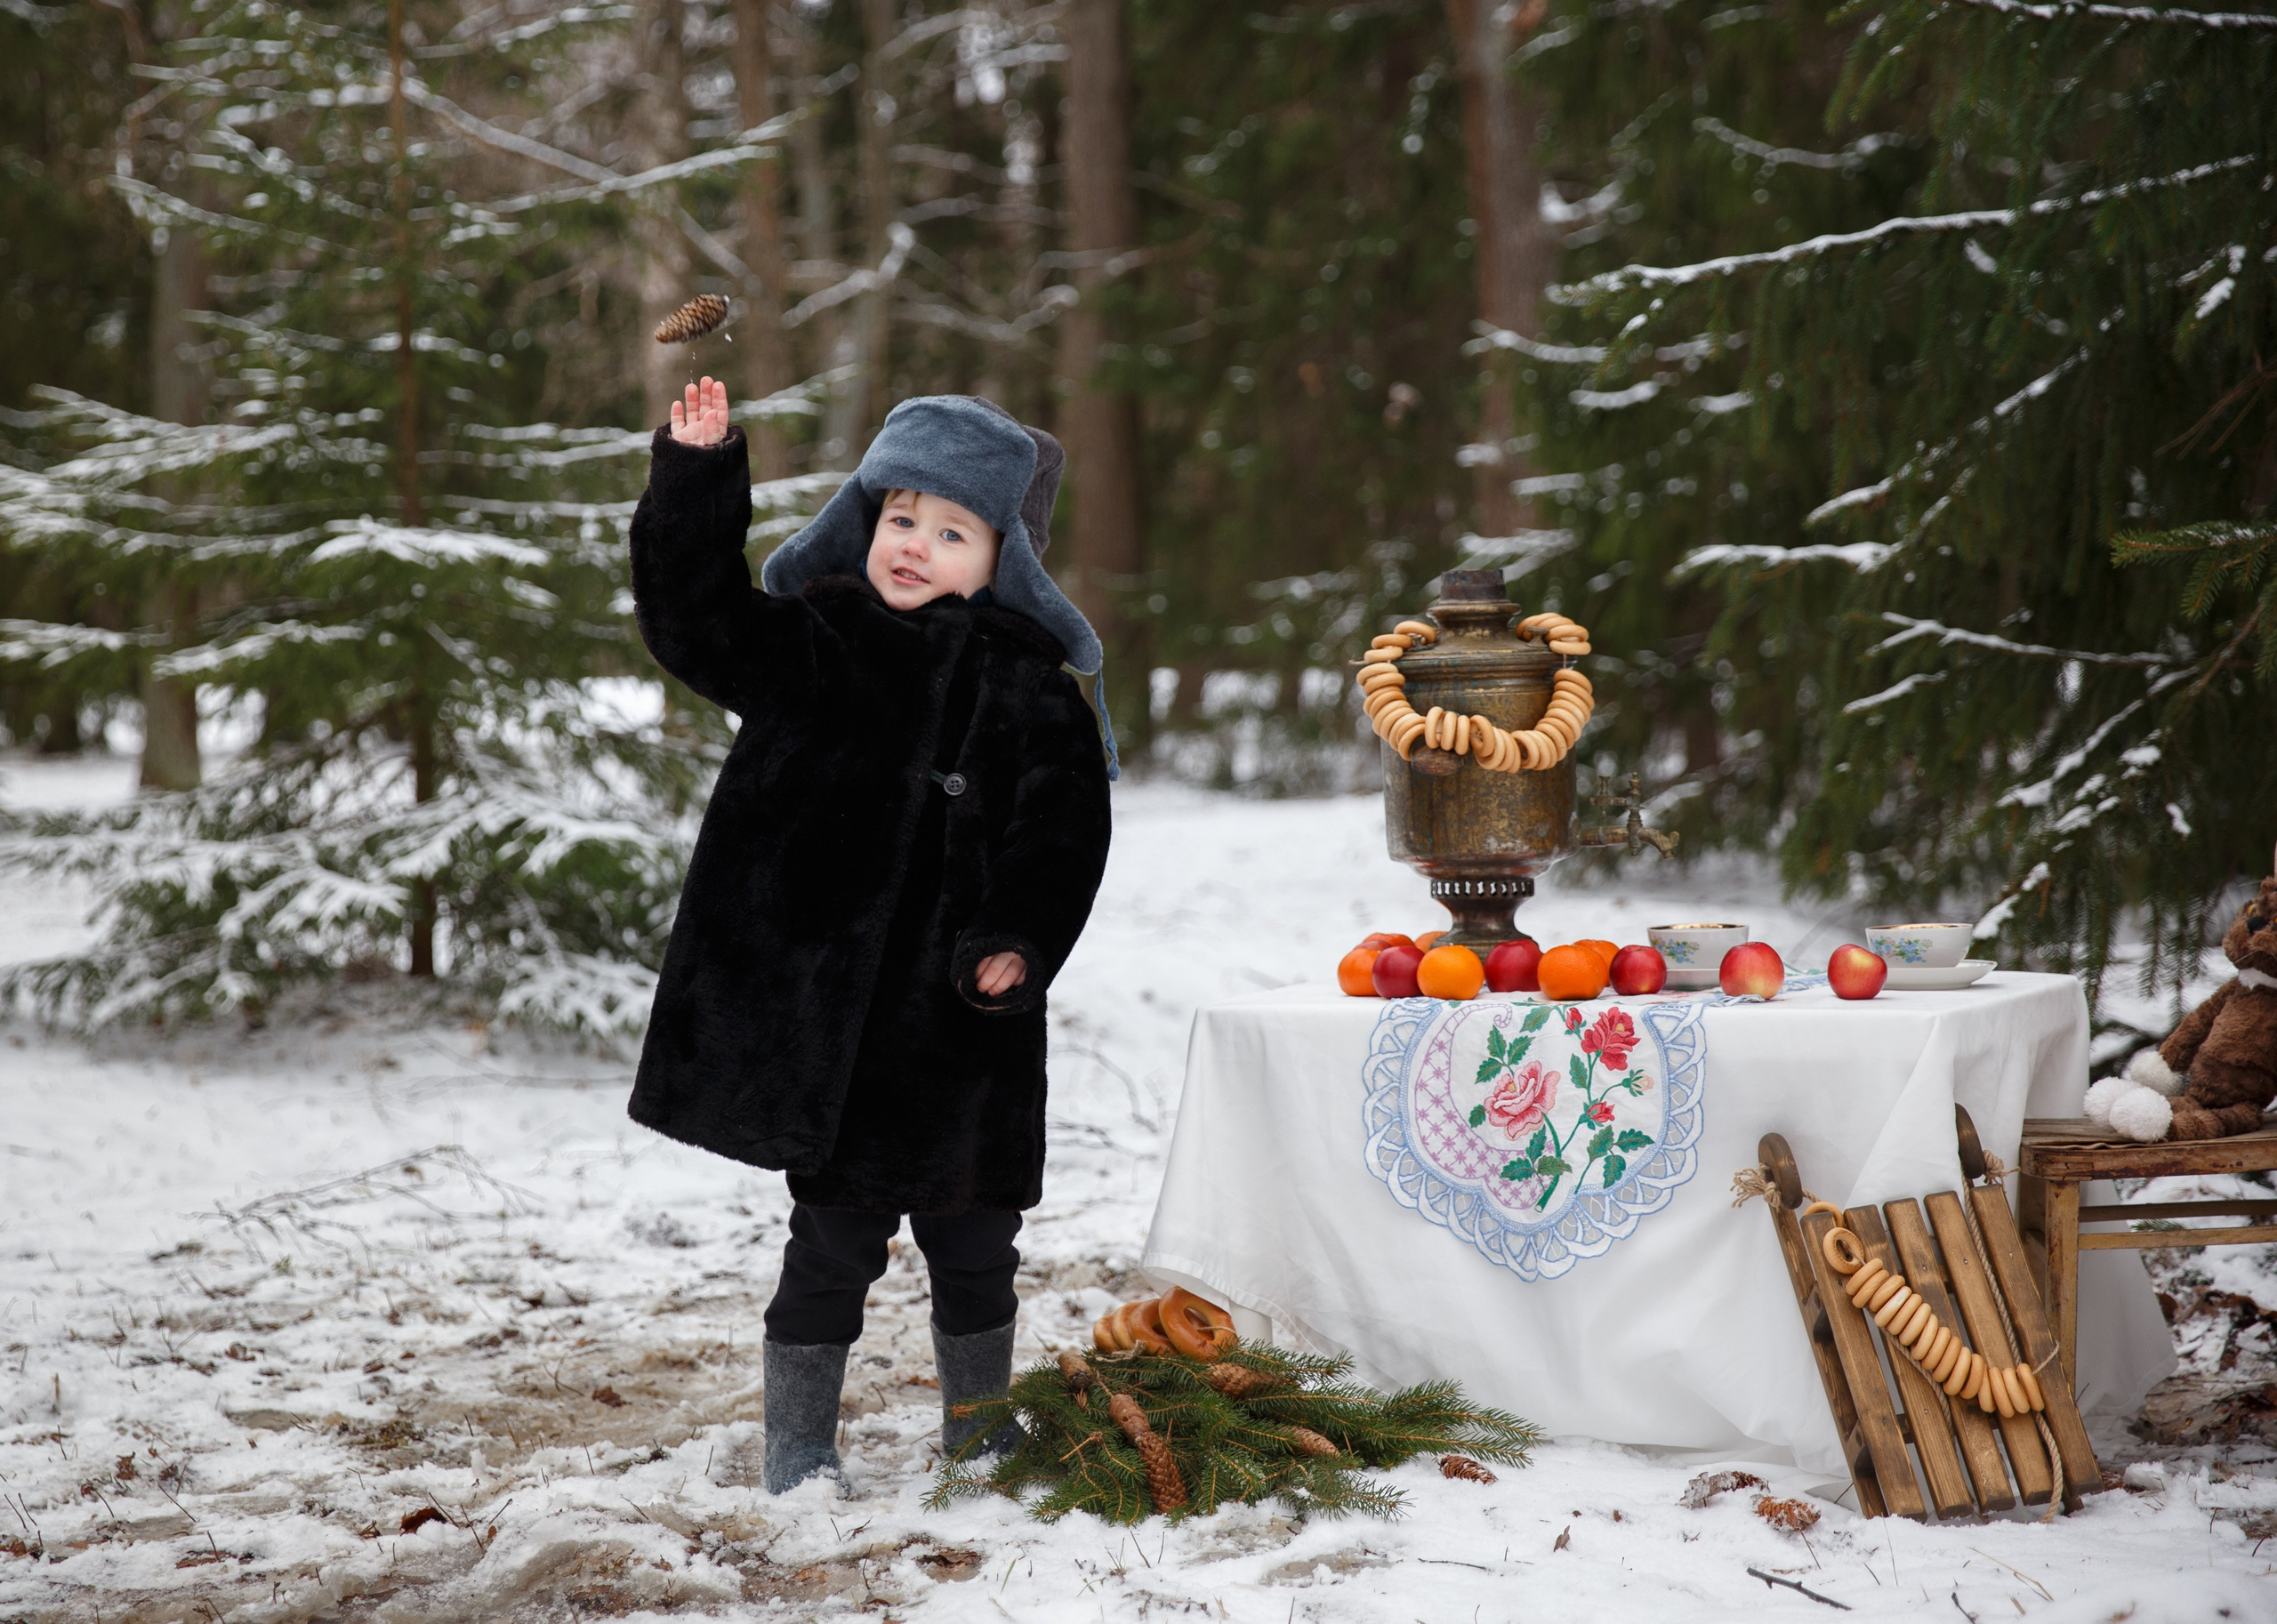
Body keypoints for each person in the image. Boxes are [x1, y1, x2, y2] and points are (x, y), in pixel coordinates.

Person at [625, 378, 1114, 1492]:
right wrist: (696, 476)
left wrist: (1018, 941)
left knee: (977, 1248)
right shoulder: (814, 644)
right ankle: (799, 1441)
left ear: (1003, 555)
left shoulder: (1035, 694)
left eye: (952, 531)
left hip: (963, 1030)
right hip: (835, 1031)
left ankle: (979, 1427)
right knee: (828, 1249)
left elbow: (1063, 836)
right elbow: (692, 615)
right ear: (865, 517)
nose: (915, 545)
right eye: (901, 518)